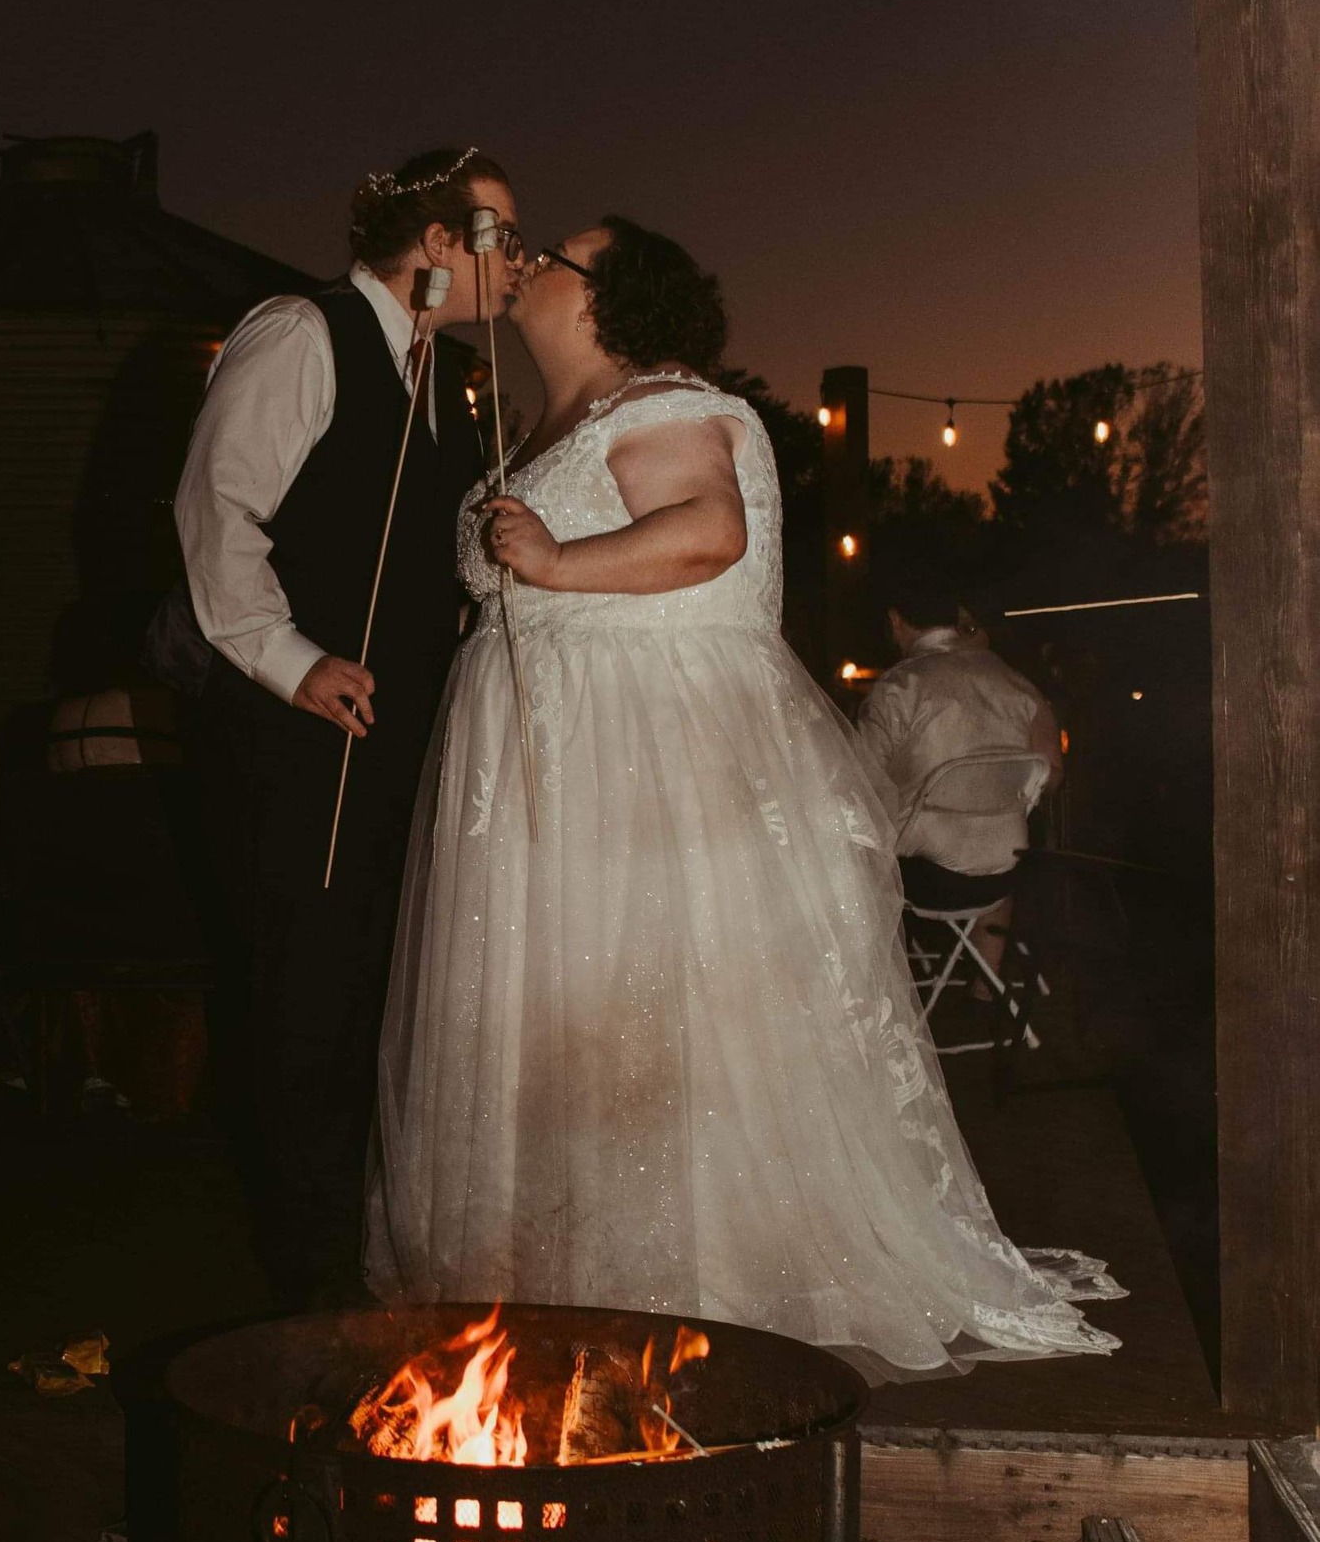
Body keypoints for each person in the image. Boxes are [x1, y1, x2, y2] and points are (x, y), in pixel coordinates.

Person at [365, 219, 1122, 1380]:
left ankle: (684, 1277)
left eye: (554, 255)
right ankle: (562, 1272)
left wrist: (558, 564)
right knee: (564, 1011)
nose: (526, 265)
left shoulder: (655, 399)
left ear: (607, 298)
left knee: (649, 1004)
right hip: (545, 755)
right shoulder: (555, 419)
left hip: (635, 757)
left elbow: (707, 532)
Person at [174, 147, 519, 1306]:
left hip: (405, 736)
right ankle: (306, 1285)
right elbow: (216, 509)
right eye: (496, 235)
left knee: (384, 992)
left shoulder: (445, 375)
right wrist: (292, 658)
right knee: (307, 1002)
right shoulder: (300, 331)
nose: (512, 260)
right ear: (434, 243)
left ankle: (369, 1260)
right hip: (301, 732)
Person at [856, 570, 1063, 982]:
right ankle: (987, 987)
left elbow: (858, 783)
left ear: (896, 620)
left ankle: (874, 984)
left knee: (854, 845)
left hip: (923, 879)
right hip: (1005, 875)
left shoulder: (900, 687)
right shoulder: (1017, 684)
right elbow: (1051, 773)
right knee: (1001, 832)